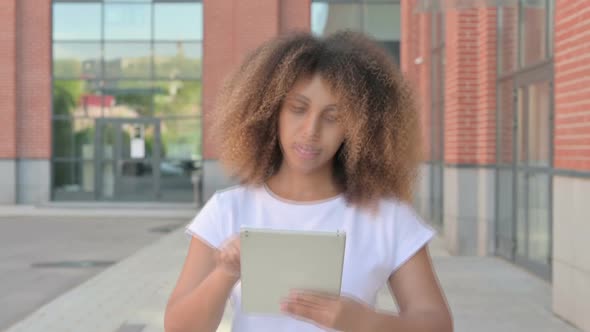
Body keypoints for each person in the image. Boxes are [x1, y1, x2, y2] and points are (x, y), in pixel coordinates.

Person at [164, 31, 453, 332]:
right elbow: (178, 327)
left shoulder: (387, 217)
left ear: (358, 127)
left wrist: (364, 322)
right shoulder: (228, 209)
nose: (311, 130)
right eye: (298, 109)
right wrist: (224, 273)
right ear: (270, 112)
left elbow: (438, 324)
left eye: (333, 116)